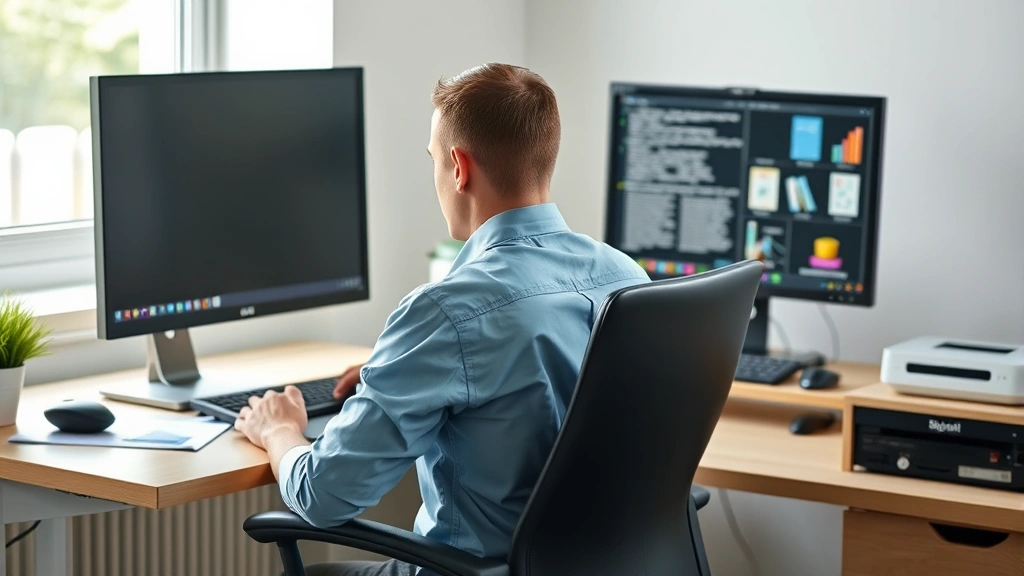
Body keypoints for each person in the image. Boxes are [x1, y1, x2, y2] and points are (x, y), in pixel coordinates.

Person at [234, 63, 649, 576]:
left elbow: (323, 495)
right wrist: (401, 367)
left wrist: (278, 431)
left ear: (458, 166)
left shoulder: (447, 314)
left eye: (432, 160)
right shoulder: (626, 276)